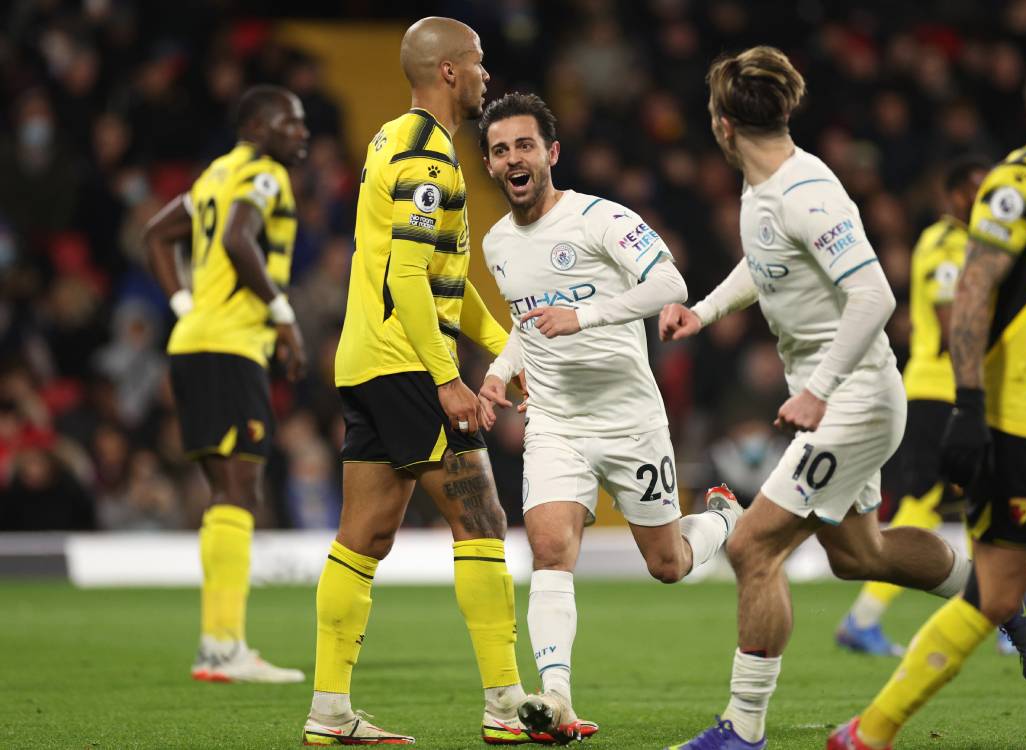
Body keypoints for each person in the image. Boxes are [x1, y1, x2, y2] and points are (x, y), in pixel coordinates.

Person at [664, 47, 1026, 750]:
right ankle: (1005, 596)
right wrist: (705, 311)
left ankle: (742, 730)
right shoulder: (768, 189)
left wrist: (818, 391)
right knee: (859, 554)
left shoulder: (806, 190)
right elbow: (767, 263)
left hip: (854, 400)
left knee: (751, 548)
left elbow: (875, 294)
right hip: (845, 397)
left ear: (720, 124)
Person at [830, 42, 1026, 750]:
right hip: (1016, 422)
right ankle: (868, 733)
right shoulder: (1019, 184)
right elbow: (973, 291)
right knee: (997, 594)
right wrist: (968, 406)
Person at [474, 92, 743, 744]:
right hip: (557, 422)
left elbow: (669, 285)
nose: (515, 158)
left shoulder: (601, 220)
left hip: (630, 422)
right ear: (488, 163)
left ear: (551, 153)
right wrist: (496, 371)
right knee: (549, 551)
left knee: (669, 564)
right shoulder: (497, 244)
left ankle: (726, 519)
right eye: (502, 149)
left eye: (526, 145)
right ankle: (556, 697)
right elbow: (524, 320)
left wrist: (586, 315)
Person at [301, 18, 530, 746]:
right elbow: (407, 277)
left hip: (368, 360)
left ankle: (329, 712)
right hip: (406, 364)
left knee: (364, 535)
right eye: (481, 64)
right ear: (452, 72)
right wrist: (449, 382)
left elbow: (444, 283)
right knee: (484, 518)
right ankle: (506, 706)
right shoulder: (431, 159)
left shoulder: (390, 140)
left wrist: (507, 349)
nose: (489, 76)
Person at [144, 84, 309, 684]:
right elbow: (240, 238)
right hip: (231, 347)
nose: (303, 133)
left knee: (226, 492)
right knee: (241, 490)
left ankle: (218, 645)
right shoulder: (265, 175)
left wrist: (183, 301)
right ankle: (223, 646)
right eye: (292, 123)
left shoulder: (214, 174)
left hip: (194, 344)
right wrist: (283, 317)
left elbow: (155, 235)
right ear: (260, 126)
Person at [836, 156, 990, 656]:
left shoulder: (983, 246)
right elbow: (953, 328)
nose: (986, 198)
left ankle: (998, 614)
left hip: (962, 393)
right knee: (923, 502)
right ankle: (864, 618)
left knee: (982, 502)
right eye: (977, 188)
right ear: (955, 196)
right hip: (941, 393)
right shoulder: (946, 245)